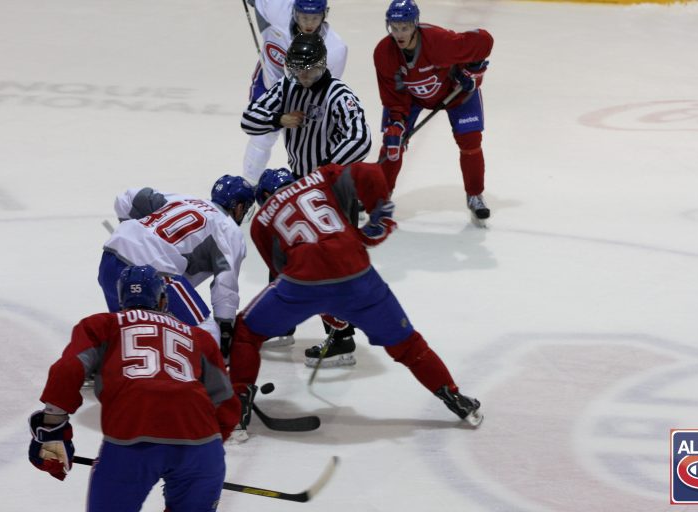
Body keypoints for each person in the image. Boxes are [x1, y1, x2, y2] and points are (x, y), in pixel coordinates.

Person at [226, 164, 483, 441]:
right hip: (357, 274)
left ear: (264, 195)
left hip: (304, 282)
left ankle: (237, 410)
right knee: (408, 344)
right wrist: (379, 218)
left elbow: (281, 274)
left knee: (246, 332)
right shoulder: (319, 177)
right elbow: (371, 173)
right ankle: (455, 397)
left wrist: (325, 308)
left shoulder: (262, 220)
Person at [28, 265, 241, 511]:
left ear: (121, 300)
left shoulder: (102, 325)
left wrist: (53, 428)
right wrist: (205, 451)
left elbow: (67, 369)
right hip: (201, 446)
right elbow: (227, 404)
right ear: (163, 299)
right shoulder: (198, 337)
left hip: (132, 441)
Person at [242, 32, 372, 356]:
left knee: (330, 264)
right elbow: (250, 119)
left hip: (334, 191)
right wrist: (278, 118)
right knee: (284, 251)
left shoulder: (339, 94)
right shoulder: (288, 88)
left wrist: (325, 171)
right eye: (298, 70)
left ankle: (341, 337)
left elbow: (361, 141)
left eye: (309, 71)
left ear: (323, 65)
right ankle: (281, 320)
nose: (303, 77)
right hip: (299, 186)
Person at [98, 175, 254, 357]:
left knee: (129, 330)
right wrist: (225, 331)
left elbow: (126, 199)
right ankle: (205, 382)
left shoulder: (181, 199)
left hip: (111, 259)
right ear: (240, 207)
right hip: (157, 275)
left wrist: (137, 238)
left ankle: (112, 369)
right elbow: (225, 286)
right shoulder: (229, 229)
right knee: (208, 334)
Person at [373, 0, 494, 224]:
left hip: (455, 94)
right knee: (392, 144)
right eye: (394, 27)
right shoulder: (384, 52)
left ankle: (475, 195)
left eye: (405, 27)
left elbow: (484, 40)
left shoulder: (439, 42)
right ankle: (381, 196)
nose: (399, 34)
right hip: (411, 98)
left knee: (471, 141)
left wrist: (472, 71)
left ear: (415, 25)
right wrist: (397, 123)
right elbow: (392, 95)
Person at [243, 0, 348, 184]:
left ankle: (316, 189)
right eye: (303, 17)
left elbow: (324, 90)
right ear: (293, 12)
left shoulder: (335, 49)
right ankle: (249, 186)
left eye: (315, 18)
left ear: (325, 14)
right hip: (269, 82)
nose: (309, 24)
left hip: (304, 97)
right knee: (261, 137)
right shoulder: (277, 8)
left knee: (308, 149)